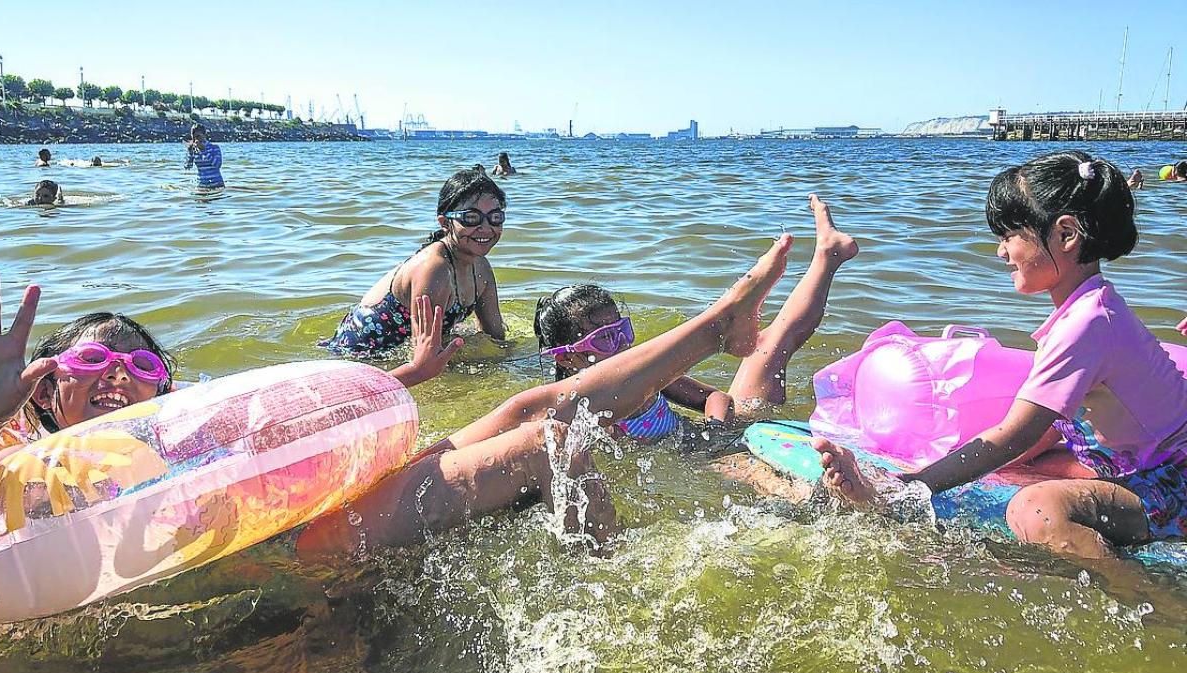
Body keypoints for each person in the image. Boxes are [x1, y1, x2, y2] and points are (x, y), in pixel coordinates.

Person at [0, 240, 791, 558]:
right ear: (45, 384)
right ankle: (611, 591)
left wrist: (416, 380)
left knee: (538, 416)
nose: (123, 378)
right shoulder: (3, 447)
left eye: (143, 366)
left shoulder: (176, 434)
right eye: (95, 364)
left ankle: (715, 327)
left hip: (303, 524)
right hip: (297, 555)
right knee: (540, 444)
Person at [814, 150, 1187, 561]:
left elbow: (1017, 433)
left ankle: (1142, 598)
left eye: (1010, 235)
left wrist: (912, 486)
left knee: (1035, 508)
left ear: (1066, 235)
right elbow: (1047, 427)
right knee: (1023, 464)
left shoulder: (1088, 323)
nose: (1000, 252)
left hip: (1175, 482)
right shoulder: (1087, 311)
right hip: (1140, 464)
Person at [533, 194, 856, 440]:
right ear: (567, 359)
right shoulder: (575, 417)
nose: (620, 345)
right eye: (604, 338)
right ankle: (829, 256)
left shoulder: (646, 378)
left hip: (727, 431)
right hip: (709, 454)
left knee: (771, 343)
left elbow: (716, 397)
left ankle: (828, 255)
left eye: (622, 330)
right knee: (773, 344)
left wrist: (713, 431)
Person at [324, 168, 508, 356]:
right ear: (445, 223)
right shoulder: (434, 269)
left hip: (403, 349)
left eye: (495, 217)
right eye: (471, 218)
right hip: (360, 354)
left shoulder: (481, 267)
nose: (486, 228)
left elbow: (496, 337)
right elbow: (424, 358)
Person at [185, 125, 224, 189]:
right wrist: (190, 152)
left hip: (217, 185)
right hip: (202, 186)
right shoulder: (194, 149)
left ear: (204, 135)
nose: (196, 139)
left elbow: (217, 165)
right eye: (194, 137)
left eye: (198, 136)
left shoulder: (214, 147)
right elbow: (187, 167)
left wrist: (204, 151)